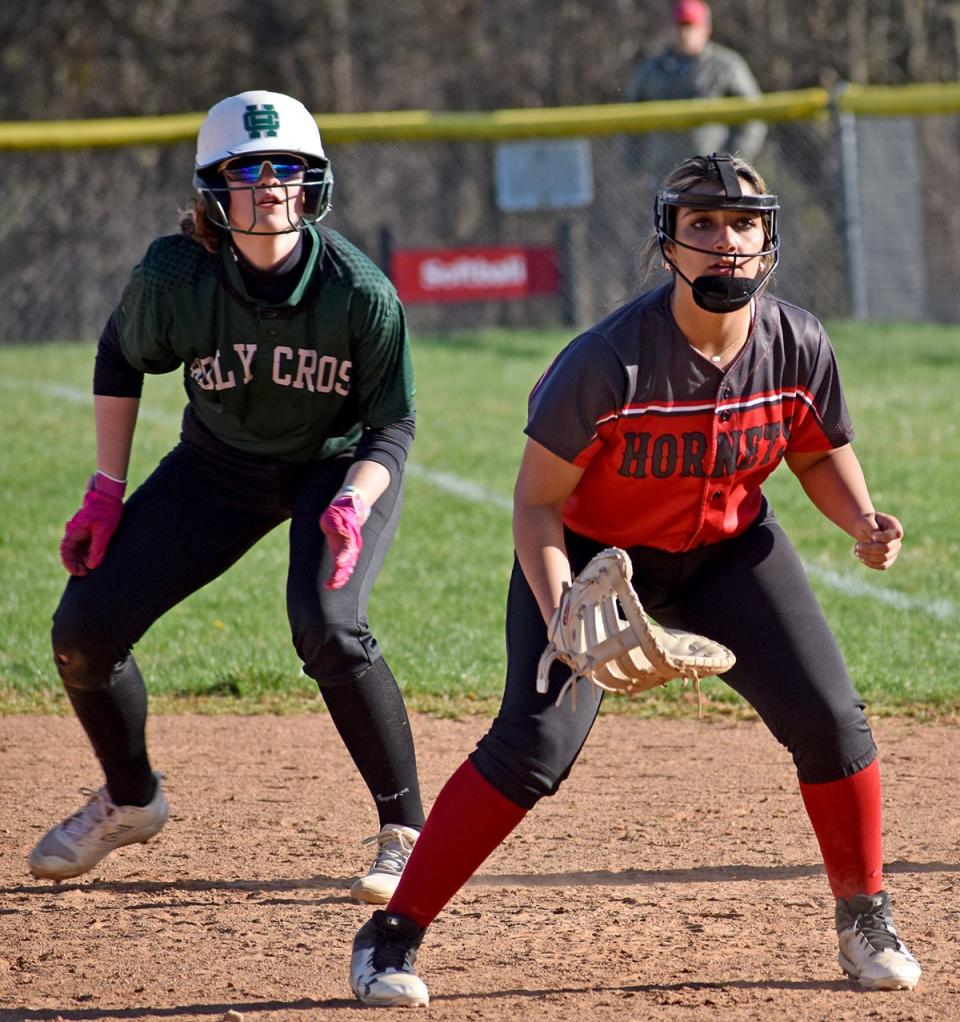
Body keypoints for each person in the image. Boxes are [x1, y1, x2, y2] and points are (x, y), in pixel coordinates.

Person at [347, 152, 922, 1007]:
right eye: (701, 225)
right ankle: (389, 936)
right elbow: (537, 505)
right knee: (533, 749)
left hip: (729, 551)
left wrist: (862, 520)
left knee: (832, 721)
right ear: (667, 246)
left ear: (769, 241)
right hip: (591, 557)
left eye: (742, 225)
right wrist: (562, 613)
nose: (724, 243)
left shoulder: (797, 340)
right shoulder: (607, 361)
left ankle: (864, 916)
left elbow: (815, 447)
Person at [28, 90, 424, 904]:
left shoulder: (359, 291)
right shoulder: (177, 276)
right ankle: (132, 799)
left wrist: (353, 502)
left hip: (337, 465)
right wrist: (106, 491)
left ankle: (406, 832)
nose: (272, 184)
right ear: (214, 188)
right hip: (219, 465)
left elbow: (393, 427)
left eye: (289, 168)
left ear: (314, 184)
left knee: (328, 626)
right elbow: (119, 352)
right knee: (84, 631)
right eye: (249, 169)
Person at [625, 0, 767, 178]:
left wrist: (733, 163)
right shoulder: (652, 68)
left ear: (706, 29)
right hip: (662, 173)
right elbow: (630, 122)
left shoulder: (726, 66)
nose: (684, 33)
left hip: (712, 173)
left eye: (691, 26)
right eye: (680, 26)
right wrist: (634, 167)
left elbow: (754, 117)